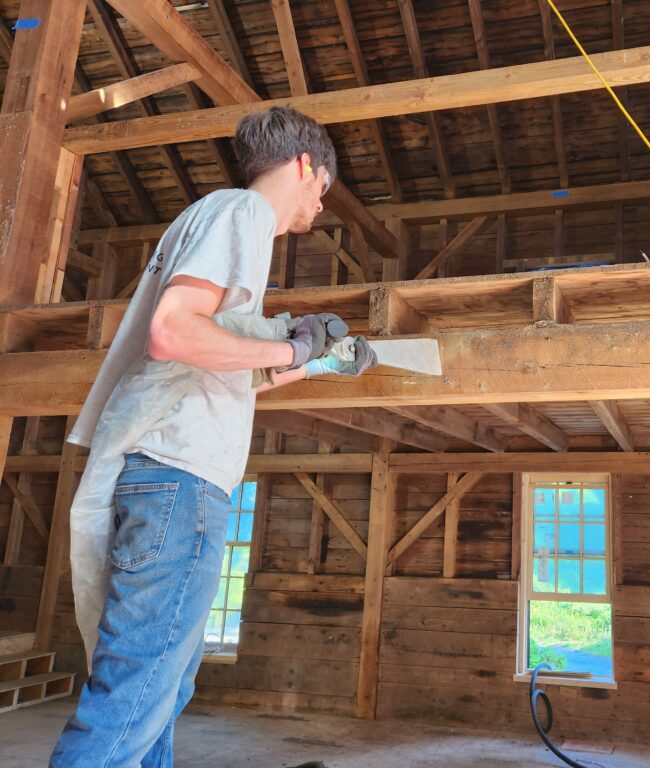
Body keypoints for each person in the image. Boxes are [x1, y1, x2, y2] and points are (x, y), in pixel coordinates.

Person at [50, 106, 375, 767]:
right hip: (178, 480)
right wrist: (288, 352)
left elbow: (218, 369)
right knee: (135, 698)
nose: (320, 202)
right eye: (323, 187)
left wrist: (319, 357)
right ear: (306, 166)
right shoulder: (241, 215)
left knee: (158, 692)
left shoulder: (219, 221)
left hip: (168, 477)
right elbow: (174, 333)